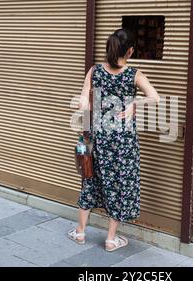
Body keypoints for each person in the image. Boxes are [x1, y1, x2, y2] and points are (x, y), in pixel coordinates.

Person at [68, 28, 160, 252]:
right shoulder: (134, 74)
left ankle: (80, 232)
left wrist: (82, 106)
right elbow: (155, 97)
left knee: (91, 180)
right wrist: (133, 104)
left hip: (99, 138)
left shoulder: (95, 71)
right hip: (123, 141)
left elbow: (84, 102)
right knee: (119, 185)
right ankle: (111, 239)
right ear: (130, 51)